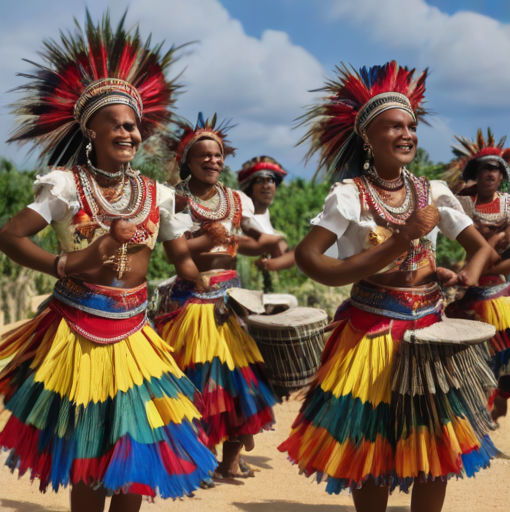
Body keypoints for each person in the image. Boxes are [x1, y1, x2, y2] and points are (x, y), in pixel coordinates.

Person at [0, 13, 217, 512]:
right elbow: (10, 236)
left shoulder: (158, 194)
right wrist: (68, 263)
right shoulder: (63, 186)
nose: (129, 132)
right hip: (76, 330)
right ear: (89, 129)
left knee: (133, 448)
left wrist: (201, 265)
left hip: (135, 330)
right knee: (91, 451)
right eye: (116, 123)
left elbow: (179, 256)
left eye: (134, 124)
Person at [277, 61, 497, 512]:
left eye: (411, 126)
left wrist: (463, 278)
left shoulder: (434, 192)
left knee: (434, 441)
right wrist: (401, 238)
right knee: (371, 441)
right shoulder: (349, 195)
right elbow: (309, 259)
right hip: (371, 330)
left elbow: (480, 250)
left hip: (430, 330)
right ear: (368, 137)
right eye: (393, 126)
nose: (406, 134)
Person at [153, 114, 280, 480]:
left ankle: (231, 460)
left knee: (239, 382)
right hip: (192, 299)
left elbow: (252, 241)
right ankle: (199, 459)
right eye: (203, 155)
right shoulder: (175, 200)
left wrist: (267, 245)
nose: (213, 161)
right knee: (202, 381)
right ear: (187, 161)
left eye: (218, 155)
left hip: (231, 296)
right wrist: (210, 239)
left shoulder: (236, 199)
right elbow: (176, 255)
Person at [444, 128, 510, 423]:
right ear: (475, 171)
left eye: (496, 169)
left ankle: (497, 398)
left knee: (500, 351)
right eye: (485, 167)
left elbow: (499, 258)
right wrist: (493, 242)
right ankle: (480, 404)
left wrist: (491, 245)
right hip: (470, 287)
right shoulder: (461, 205)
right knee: (472, 353)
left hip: (500, 288)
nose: (491, 174)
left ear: (502, 176)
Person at [237, 156, 295, 273]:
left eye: (270, 180)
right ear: (250, 187)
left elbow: (283, 254)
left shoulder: (267, 217)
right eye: (259, 181)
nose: (266, 186)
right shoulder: (241, 212)